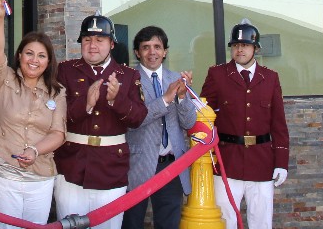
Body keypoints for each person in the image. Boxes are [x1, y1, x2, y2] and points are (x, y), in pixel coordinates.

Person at [54, 14, 148, 229]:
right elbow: (54, 116)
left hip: (110, 170)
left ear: (111, 43)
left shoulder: (128, 75)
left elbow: (139, 118)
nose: (92, 46)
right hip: (71, 166)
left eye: (100, 40)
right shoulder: (65, 71)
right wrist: (85, 104)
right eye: (87, 40)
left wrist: (118, 101)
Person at [0, 0, 66, 228]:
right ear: (19, 55)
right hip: (4, 175)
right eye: (29, 53)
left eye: (42, 56)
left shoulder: (57, 92)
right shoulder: (4, 80)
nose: (34, 60)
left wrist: (34, 150)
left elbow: (57, 133)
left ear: (49, 62)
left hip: (40, 177)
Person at [200, 19, 289, 229]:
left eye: (246, 45)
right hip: (227, 160)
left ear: (255, 49)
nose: (240, 49)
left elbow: (278, 123)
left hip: (262, 161)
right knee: (225, 219)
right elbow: (204, 115)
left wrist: (281, 162)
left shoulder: (270, 78)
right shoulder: (217, 75)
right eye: (236, 45)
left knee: (261, 219)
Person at [122, 26, 197, 229]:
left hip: (171, 164)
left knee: (169, 223)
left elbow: (189, 123)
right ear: (137, 53)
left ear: (165, 51)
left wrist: (182, 97)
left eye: (157, 47)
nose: (152, 52)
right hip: (137, 163)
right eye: (145, 47)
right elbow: (132, 120)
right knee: (131, 222)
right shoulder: (127, 79)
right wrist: (165, 99)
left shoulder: (176, 79)